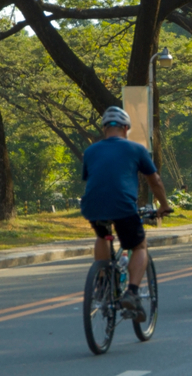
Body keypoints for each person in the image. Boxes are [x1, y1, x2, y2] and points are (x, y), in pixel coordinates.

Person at [81, 107, 174, 320]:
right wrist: (163, 205)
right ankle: (132, 292)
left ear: (104, 128)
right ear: (126, 128)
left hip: (93, 206)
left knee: (103, 235)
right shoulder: (136, 149)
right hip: (123, 206)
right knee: (139, 246)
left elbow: (94, 178)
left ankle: (103, 281)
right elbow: (155, 180)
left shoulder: (90, 151)